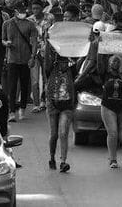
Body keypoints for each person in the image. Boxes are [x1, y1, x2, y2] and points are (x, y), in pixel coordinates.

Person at [43, 40, 75, 172]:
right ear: (57, 62)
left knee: (63, 133)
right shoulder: (50, 70)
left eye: (66, 62)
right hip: (52, 105)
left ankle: (63, 161)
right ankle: (52, 157)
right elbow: (46, 60)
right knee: (54, 134)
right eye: (62, 62)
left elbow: (84, 58)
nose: (64, 65)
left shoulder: (72, 71)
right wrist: (47, 42)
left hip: (66, 106)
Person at [3, 1, 38, 122]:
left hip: (25, 59)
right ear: (15, 11)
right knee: (12, 86)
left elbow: (34, 42)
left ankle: (22, 109)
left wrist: (33, 57)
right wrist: (6, 43)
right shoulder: (7, 24)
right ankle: (11, 111)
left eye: (24, 11)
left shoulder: (30, 24)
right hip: (12, 59)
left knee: (24, 85)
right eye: (20, 11)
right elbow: (3, 39)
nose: (23, 13)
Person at [100, 55, 122, 169]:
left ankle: (112, 152)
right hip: (108, 107)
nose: (116, 62)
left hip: (121, 108)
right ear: (109, 63)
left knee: (119, 136)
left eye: (118, 61)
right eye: (114, 60)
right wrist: (99, 47)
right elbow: (100, 60)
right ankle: (113, 159)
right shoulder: (105, 74)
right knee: (112, 132)